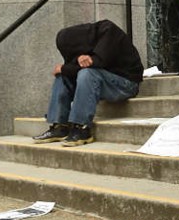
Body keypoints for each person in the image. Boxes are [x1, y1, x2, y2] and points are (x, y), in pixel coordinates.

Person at [32, 19, 143, 147]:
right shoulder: (87, 43)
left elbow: (97, 62)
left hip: (126, 84)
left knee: (87, 73)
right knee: (63, 76)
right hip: (105, 81)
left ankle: (81, 128)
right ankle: (60, 126)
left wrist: (65, 68)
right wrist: (66, 68)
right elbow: (76, 66)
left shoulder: (109, 32)